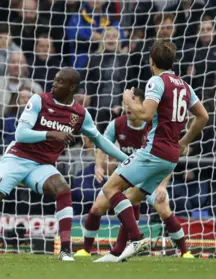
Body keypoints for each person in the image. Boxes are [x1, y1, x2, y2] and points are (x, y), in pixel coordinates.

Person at [0, 67, 129, 262]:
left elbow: (100, 140)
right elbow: (20, 134)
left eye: (60, 81)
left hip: (41, 166)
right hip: (17, 158)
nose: (54, 83)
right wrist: (51, 133)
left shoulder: (80, 114)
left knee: (63, 189)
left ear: (72, 87)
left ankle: (65, 249)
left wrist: (125, 159)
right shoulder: (39, 100)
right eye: (55, 79)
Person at [98, 39, 208, 262]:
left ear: (151, 61)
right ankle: (117, 252)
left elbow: (145, 114)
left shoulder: (156, 81)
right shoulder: (185, 86)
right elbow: (203, 116)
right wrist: (184, 141)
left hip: (153, 151)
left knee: (111, 189)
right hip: (171, 157)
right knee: (131, 198)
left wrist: (128, 100)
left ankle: (137, 239)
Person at [74, 89, 193, 261]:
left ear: (142, 104)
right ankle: (86, 249)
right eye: (125, 103)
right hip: (128, 174)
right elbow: (102, 143)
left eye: (131, 102)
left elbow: (167, 158)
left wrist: (162, 185)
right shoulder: (117, 124)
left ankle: (185, 252)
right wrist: (98, 166)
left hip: (150, 177)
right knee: (97, 207)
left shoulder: (155, 124)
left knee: (163, 208)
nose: (127, 107)